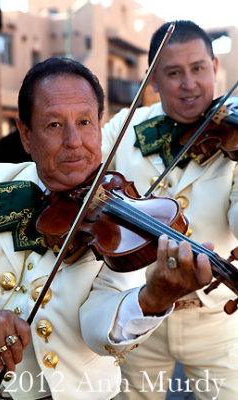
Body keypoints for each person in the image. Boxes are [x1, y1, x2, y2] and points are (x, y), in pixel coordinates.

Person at [0, 57, 213, 400]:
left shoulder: (119, 221)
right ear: (25, 134)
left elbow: (98, 325)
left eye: (85, 122)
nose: (73, 141)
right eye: (54, 125)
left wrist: (153, 299)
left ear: (100, 128)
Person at [101, 21, 238, 400]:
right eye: (174, 73)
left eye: (198, 68)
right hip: (141, 311)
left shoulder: (233, 135)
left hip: (214, 318)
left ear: (214, 66)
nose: (189, 84)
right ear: (153, 81)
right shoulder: (122, 128)